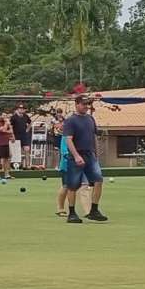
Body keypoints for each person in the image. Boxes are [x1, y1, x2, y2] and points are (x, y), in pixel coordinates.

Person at [61, 95, 107, 223]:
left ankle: (94, 210)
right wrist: (76, 156)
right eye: (83, 104)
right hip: (76, 155)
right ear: (76, 104)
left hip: (90, 155)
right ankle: (72, 213)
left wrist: (96, 154)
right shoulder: (71, 121)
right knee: (73, 185)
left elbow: (94, 137)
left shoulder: (90, 119)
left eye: (87, 104)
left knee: (98, 180)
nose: (86, 107)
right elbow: (68, 139)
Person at [52, 111, 72, 217]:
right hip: (66, 164)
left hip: (75, 165)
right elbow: (64, 152)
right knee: (65, 186)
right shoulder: (65, 137)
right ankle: (60, 208)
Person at [9, 103, 33, 171]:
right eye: (20, 108)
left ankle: (28, 165)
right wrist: (12, 134)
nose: (21, 110)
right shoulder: (14, 117)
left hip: (24, 136)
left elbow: (30, 123)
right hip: (16, 136)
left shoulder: (26, 116)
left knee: (27, 150)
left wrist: (27, 129)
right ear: (17, 109)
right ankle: (16, 165)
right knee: (16, 151)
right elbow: (10, 126)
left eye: (22, 109)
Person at [0, 112, 14, 181]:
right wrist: (6, 124)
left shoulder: (5, 123)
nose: (5, 117)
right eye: (4, 115)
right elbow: (3, 130)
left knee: (7, 158)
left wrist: (11, 134)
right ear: (0, 116)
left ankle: (7, 174)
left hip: (6, 143)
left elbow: (11, 131)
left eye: (6, 116)